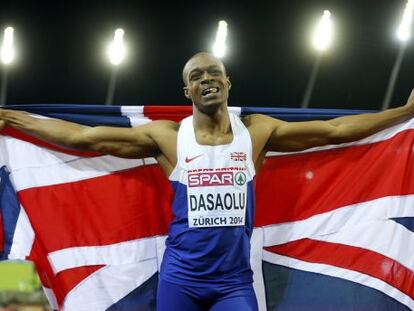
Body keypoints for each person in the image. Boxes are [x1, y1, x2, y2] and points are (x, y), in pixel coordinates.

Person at [0, 52, 414, 311]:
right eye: (197, 76)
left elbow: (336, 130)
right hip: (181, 280)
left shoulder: (255, 133)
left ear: (228, 82)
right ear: (188, 90)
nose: (207, 79)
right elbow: (81, 138)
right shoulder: (167, 137)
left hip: (233, 285)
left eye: (214, 72)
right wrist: (9, 117)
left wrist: (402, 112)